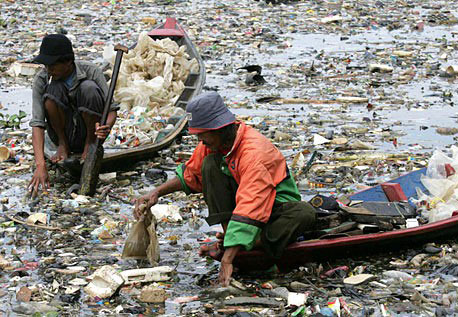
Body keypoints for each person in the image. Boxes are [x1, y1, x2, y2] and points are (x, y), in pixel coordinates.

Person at [134, 91, 317, 286]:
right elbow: (191, 175)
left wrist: (227, 258)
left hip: (274, 210)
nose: (201, 142)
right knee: (209, 164)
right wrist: (156, 192)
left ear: (219, 129)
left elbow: (251, 205)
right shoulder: (213, 145)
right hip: (245, 211)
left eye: (202, 136)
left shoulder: (253, 153)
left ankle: (248, 242)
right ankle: (233, 237)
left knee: (304, 213)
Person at [29, 34, 118, 194]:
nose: (49, 70)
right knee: (53, 90)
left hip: (90, 133)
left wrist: (106, 128)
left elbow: (111, 111)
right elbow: (37, 124)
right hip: (63, 133)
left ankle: (88, 145)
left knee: (88, 88)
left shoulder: (91, 71)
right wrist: (40, 165)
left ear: (68, 61)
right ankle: (63, 145)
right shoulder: (42, 79)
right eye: (46, 66)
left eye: (53, 65)